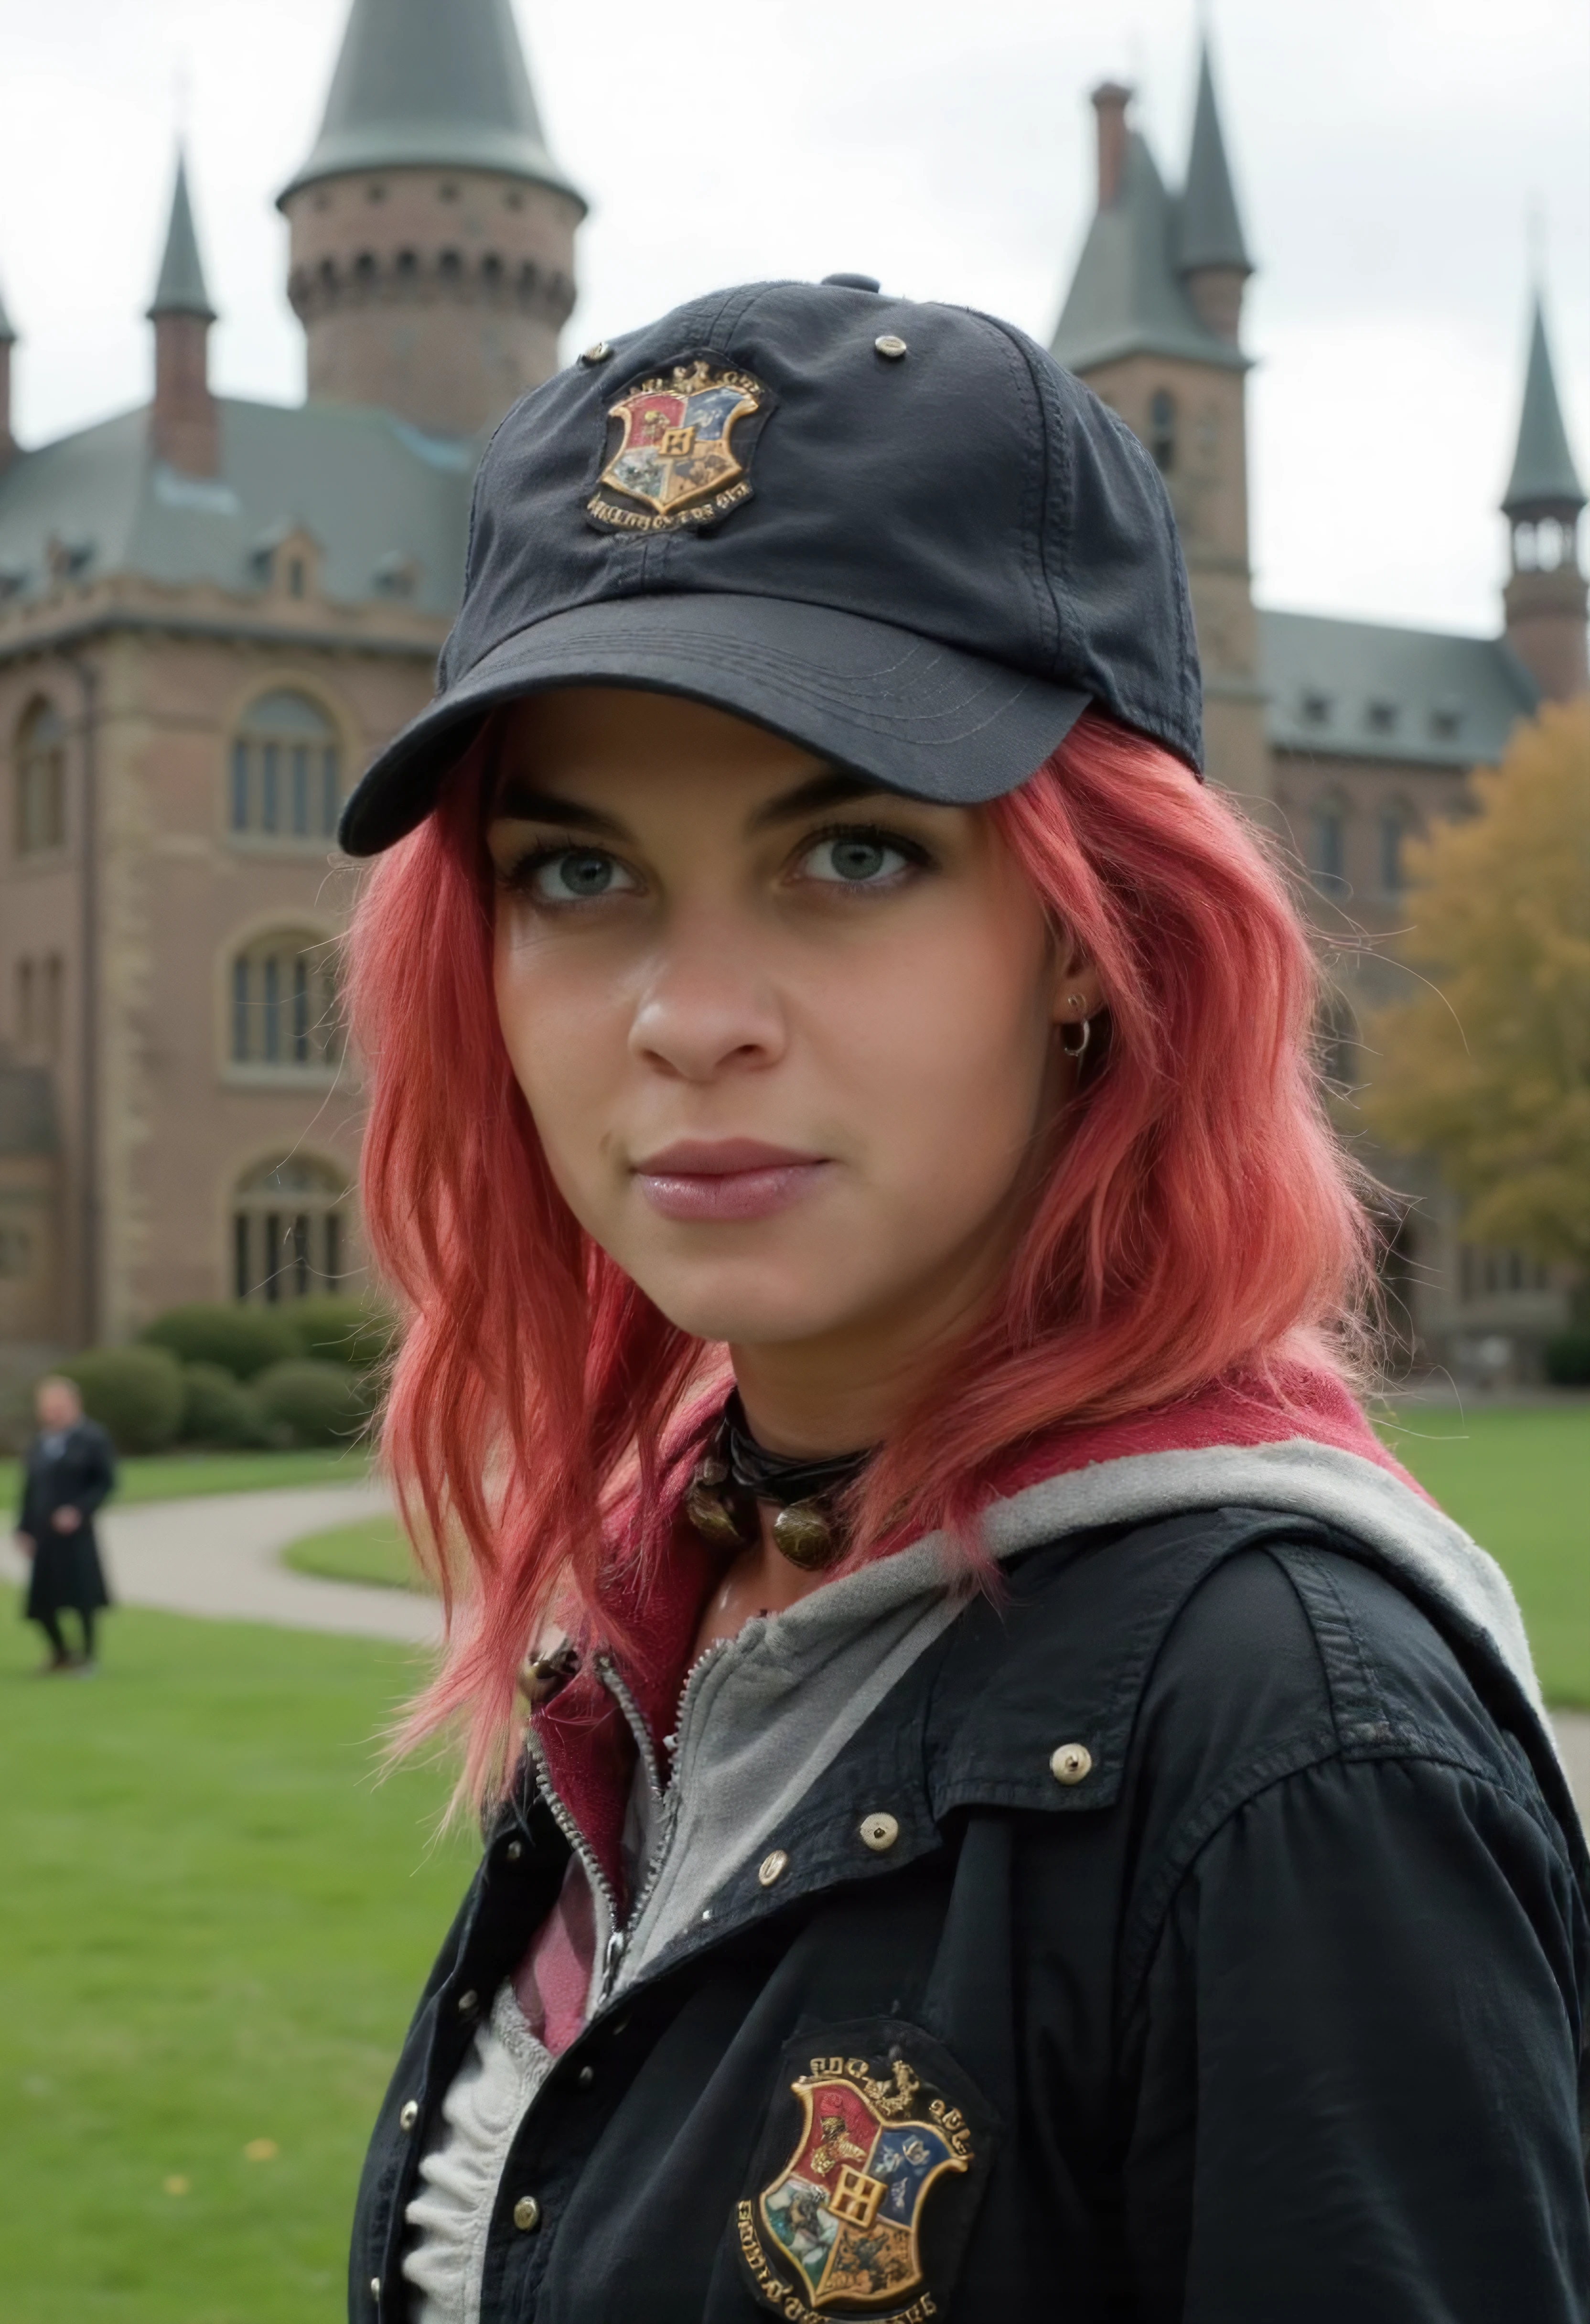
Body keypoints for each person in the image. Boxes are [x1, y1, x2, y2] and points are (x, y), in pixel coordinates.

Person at [338, 281, 1590, 2323]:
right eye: (578, 874)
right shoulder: (672, 1593)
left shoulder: (1294, 1748)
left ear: (1098, 943)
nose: (691, 1018)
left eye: (850, 856)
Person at [14, 1374, 115, 1674]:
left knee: (82, 1596)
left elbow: (105, 1483)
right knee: (42, 1601)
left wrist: (79, 1511)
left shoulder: (92, 1438)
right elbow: (31, 1489)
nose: (54, 1411)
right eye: (48, 1406)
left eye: (59, 1405)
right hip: (44, 1532)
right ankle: (60, 1653)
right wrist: (24, 1528)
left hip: (76, 1531)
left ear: (74, 1404)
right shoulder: (41, 1443)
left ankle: (89, 1656)